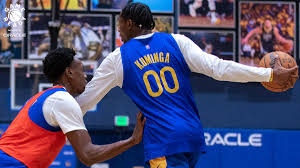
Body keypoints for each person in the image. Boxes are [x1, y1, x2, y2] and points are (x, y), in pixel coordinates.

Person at [76, 3, 298, 168]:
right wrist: (267, 74)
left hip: (163, 141)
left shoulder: (117, 59)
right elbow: (219, 68)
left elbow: (86, 100)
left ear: (131, 24)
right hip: (192, 137)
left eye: (120, 25)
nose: (119, 31)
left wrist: (55, 117)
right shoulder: (177, 41)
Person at [0, 48, 146, 168]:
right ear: (69, 72)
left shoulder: (43, 98)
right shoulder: (62, 101)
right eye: (82, 70)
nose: (85, 76)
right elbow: (88, 156)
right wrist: (132, 140)